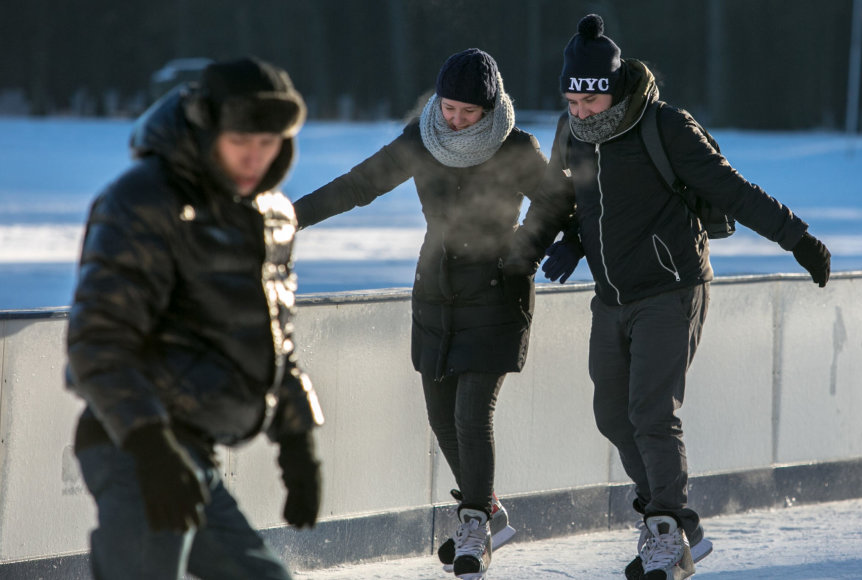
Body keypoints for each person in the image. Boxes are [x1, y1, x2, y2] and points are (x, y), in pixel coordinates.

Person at [507, 14, 832, 580]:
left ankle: (662, 531)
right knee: (612, 414)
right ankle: (680, 522)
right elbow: (557, 202)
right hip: (611, 296)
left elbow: (733, 189)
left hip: (671, 288)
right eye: (572, 100)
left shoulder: (664, 127)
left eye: (590, 100)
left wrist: (797, 238)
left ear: (613, 88)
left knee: (652, 413)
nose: (580, 112)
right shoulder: (571, 132)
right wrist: (532, 254)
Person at [66, 57, 325, 580]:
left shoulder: (271, 214)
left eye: (269, 143)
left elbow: (276, 342)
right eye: (240, 142)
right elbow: (98, 341)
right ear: (208, 128)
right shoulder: (144, 200)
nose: (254, 158)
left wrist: (298, 442)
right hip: (134, 446)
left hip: (193, 455)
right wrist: (150, 448)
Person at [293, 48, 546, 579]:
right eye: (449, 107)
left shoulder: (516, 147)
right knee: (441, 418)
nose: (455, 120)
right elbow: (358, 186)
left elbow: (557, 202)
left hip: (497, 295)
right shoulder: (422, 138)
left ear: (491, 107)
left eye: (468, 113)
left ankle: (474, 522)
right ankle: (491, 509)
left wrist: (527, 248)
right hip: (435, 293)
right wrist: (287, 219)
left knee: (472, 416)